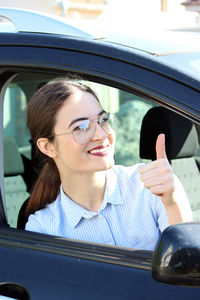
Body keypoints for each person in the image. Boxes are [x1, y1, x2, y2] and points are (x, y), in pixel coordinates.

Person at [25, 79, 192, 250]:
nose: (102, 134)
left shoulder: (153, 187)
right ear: (48, 147)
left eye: (103, 120)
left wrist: (172, 203)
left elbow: (189, 266)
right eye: (81, 127)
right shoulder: (43, 228)